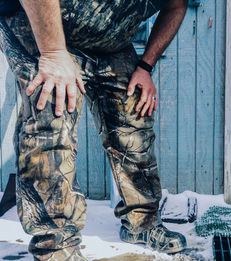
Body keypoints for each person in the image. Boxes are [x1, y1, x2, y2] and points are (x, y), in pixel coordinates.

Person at [0, 0, 188, 260]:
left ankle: (142, 224)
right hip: (41, 24)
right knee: (52, 116)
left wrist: (145, 66)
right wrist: (53, 52)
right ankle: (56, 245)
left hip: (110, 42)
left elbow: (176, 6)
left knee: (134, 113)